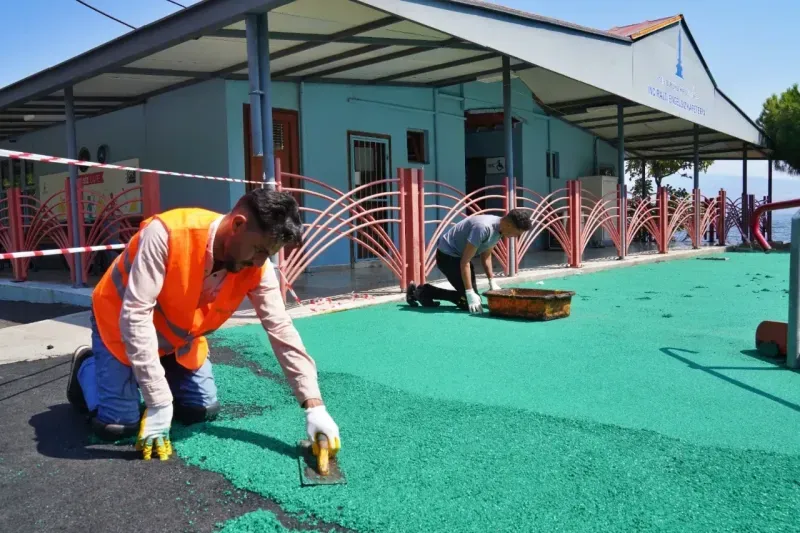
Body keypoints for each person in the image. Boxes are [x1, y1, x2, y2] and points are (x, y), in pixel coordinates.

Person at [66, 189, 341, 461]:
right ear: (237, 224)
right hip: (119, 324)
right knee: (118, 426)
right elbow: (135, 316)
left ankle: (153, 371)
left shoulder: (256, 266)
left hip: (178, 338)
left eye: (267, 255)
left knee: (200, 411)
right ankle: (87, 367)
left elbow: (280, 328)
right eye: (258, 250)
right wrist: (158, 402)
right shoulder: (166, 234)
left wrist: (313, 406)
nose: (259, 262)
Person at [406, 210, 532, 313]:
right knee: (469, 302)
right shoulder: (483, 228)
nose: (516, 237)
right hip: (447, 256)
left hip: (460, 257)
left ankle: (425, 292)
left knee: (474, 300)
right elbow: (465, 262)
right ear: (509, 225)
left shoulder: (500, 230)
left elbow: (486, 256)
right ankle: (420, 292)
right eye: (517, 233)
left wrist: (491, 281)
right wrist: (469, 292)